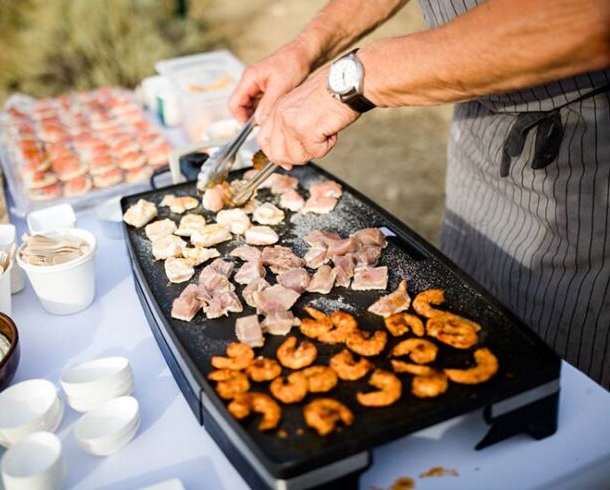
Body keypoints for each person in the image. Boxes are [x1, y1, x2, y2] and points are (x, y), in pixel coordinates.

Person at [229, 0, 610, 388]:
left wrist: (351, 78)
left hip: (588, 155)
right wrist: (308, 46)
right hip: (481, 117)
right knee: (462, 318)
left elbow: (589, 16)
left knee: (561, 379)